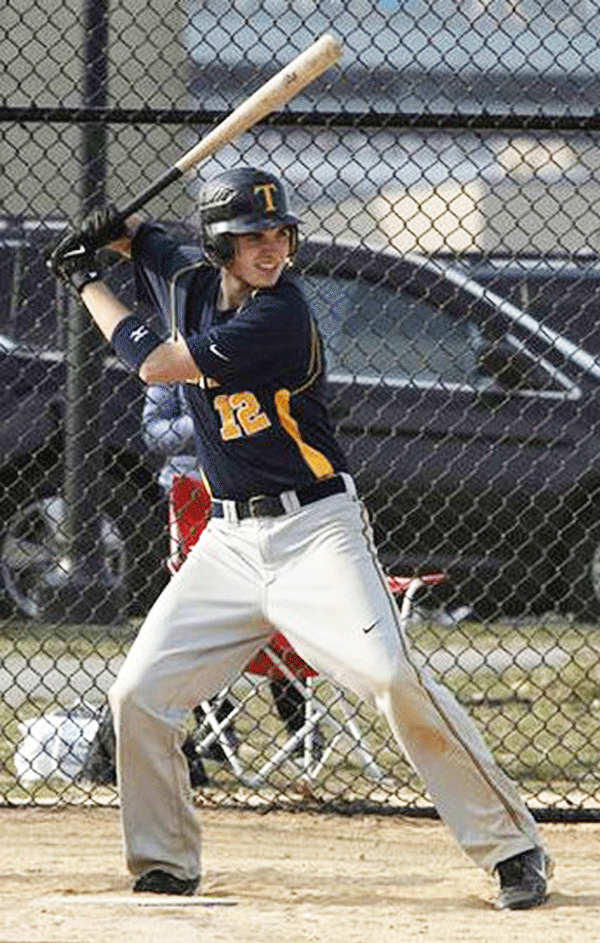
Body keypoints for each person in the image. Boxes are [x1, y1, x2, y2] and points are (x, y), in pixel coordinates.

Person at [48, 166, 552, 908]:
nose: (271, 248)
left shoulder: (281, 316)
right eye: (253, 236)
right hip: (226, 541)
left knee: (388, 673)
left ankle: (513, 845)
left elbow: (154, 362)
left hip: (316, 532)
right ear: (219, 244)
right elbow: (141, 238)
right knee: (139, 695)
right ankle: (165, 861)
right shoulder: (187, 279)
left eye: (280, 233)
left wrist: (87, 282)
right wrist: (107, 230)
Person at [142, 381, 323, 760]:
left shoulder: (256, 350)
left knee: (273, 606)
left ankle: (302, 728)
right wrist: (213, 417)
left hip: (255, 492)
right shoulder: (173, 358)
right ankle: (215, 727)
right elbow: (154, 432)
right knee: (198, 613)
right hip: (189, 495)